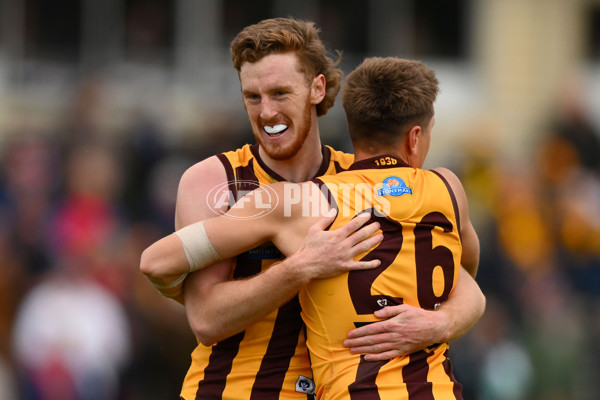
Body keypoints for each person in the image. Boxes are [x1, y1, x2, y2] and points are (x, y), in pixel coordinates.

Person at [144, 18, 485, 400]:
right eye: (252, 97)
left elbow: (461, 281)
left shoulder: (357, 177)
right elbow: (205, 320)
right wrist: (299, 268)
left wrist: (440, 322)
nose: (266, 112)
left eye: (279, 93)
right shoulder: (212, 180)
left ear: (317, 88)